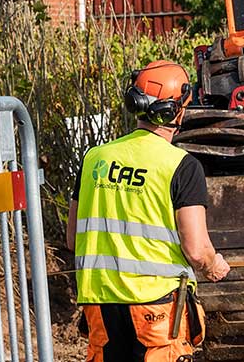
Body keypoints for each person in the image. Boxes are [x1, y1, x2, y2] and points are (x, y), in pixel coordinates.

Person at [67, 60, 230, 362]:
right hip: (156, 308)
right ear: (176, 110)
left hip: (101, 304)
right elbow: (196, 250)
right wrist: (212, 265)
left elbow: (73, 238)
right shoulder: (181, 166)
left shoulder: (94, 159)